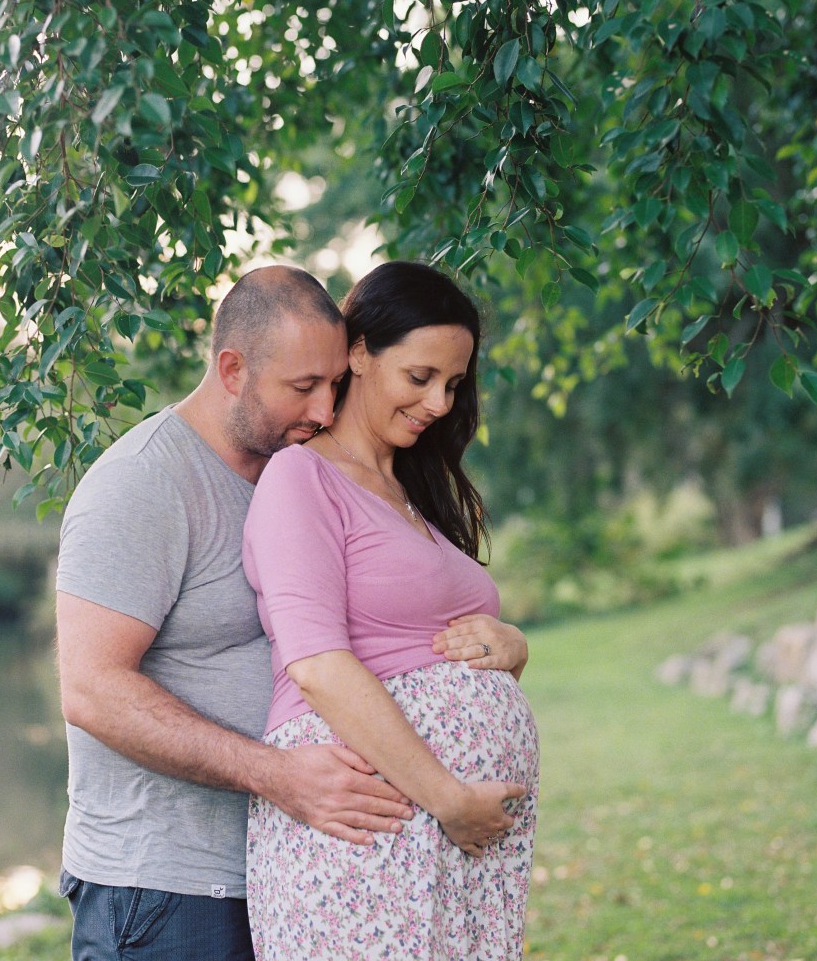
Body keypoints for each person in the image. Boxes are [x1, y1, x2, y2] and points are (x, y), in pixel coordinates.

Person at [54, 264, 529, 961]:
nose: (323, 408)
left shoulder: (296, 465)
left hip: (290, 857)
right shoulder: (143, 485)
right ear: (233, 368)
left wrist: (506, 646)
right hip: (164, 883)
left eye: (334, 384)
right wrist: (277, 775)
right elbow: (91, 689)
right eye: (304, 388)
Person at [243, 260, 539, 961]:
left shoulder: (410, 492)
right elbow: (316, 663)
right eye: (421, 377)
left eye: (454, 384)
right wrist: (447, 796)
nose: (440, 402)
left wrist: (512, 646)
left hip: (441, 835)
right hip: (374, 825)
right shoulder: (301, 477)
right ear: (359, 353)